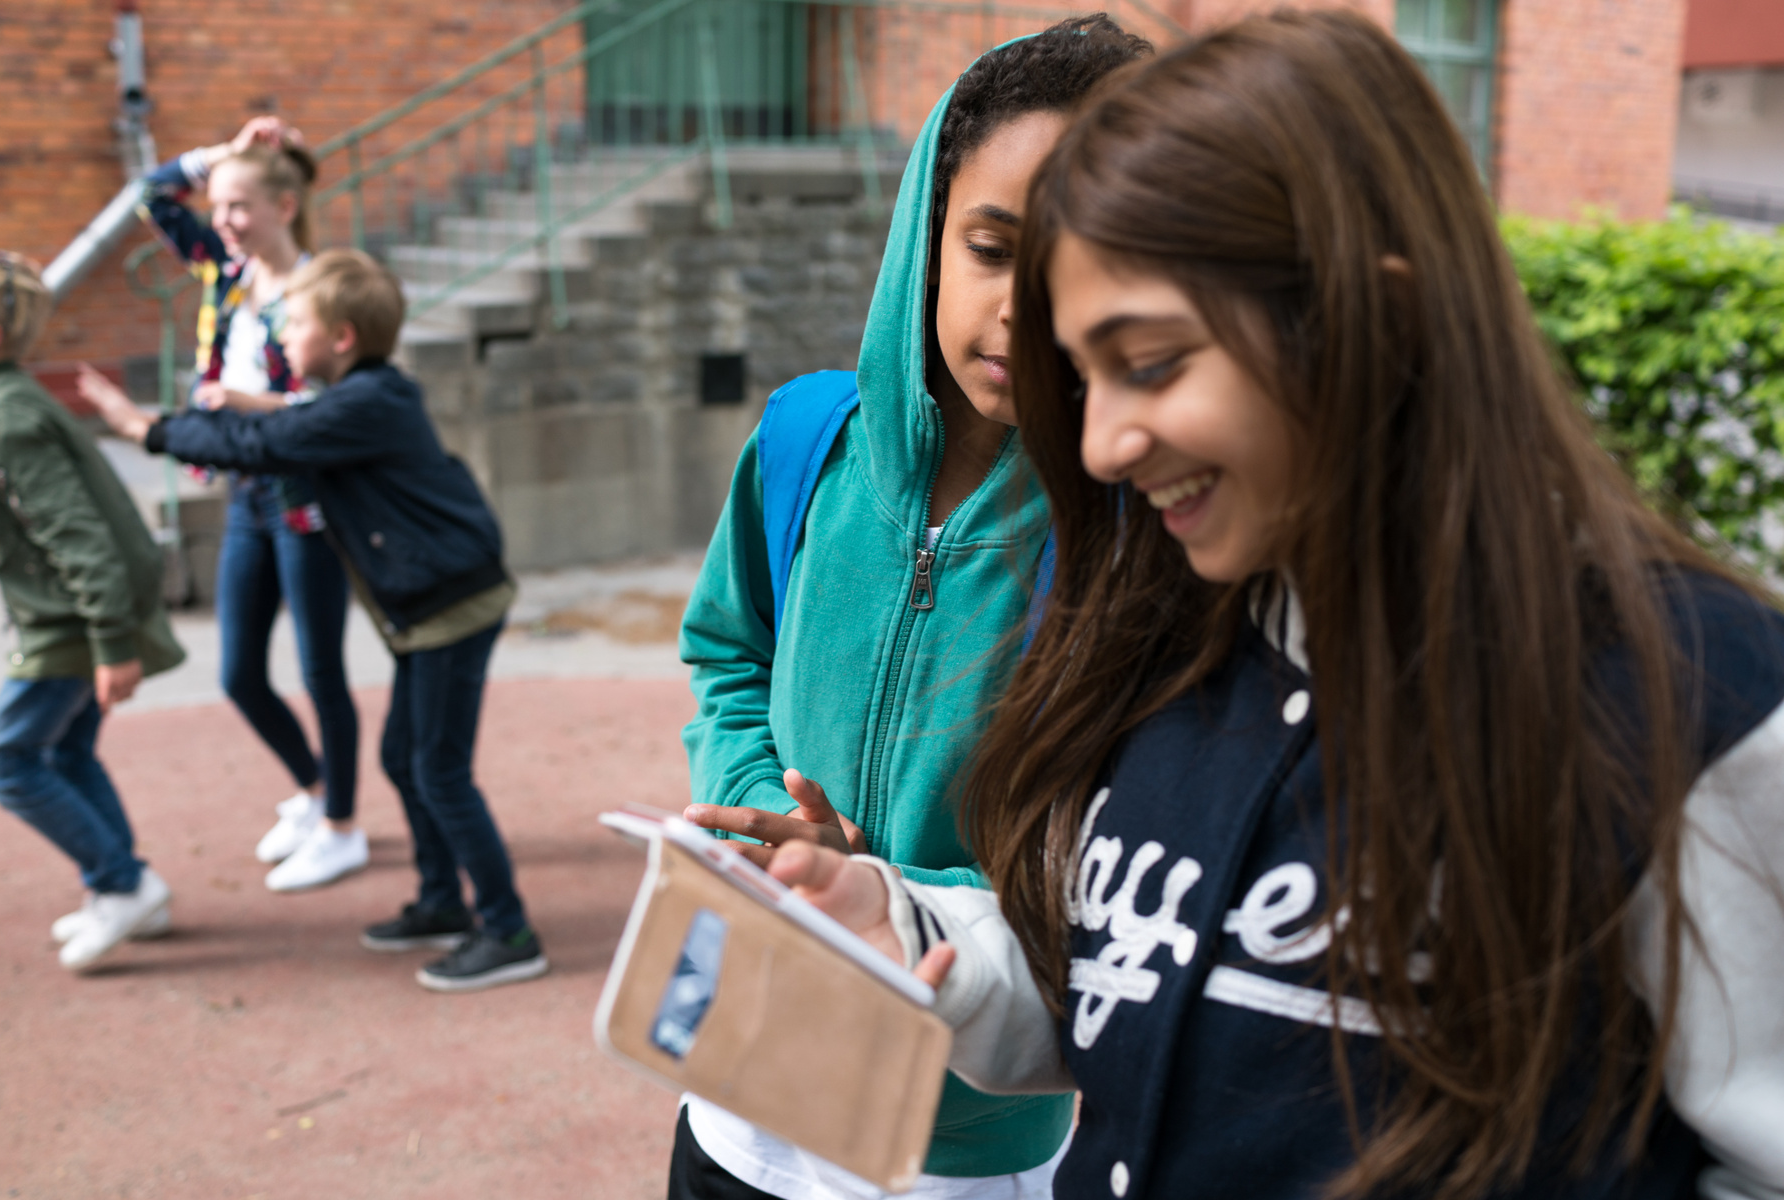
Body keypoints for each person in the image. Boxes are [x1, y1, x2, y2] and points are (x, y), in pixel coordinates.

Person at [762, 12, 1784, 1200]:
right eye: (1081, 377)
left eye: (1147, 362)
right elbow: (1118, 985)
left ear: (1373, 316)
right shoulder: (1166, 648)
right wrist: (907, 930)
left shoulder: (1695, 705)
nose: (1097, 445)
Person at [671, 17, 1151, 1200]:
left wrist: (892, 901)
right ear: (926, 236)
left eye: (1075, 266)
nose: (1017, 315)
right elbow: (727, 648)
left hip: (960, 1138)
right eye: (990, 248)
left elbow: (1122, 864)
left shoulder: (1137, 542)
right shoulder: (803, 441)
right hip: (743, 1064)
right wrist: (765, 812)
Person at [82, 249, 548, 993]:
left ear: (340, 338)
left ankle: (508, 928)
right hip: (423, 608)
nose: (282, 333)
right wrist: (236, 403)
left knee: (439, 769)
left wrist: (147, 429)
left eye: (293, 323)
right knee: (407, 759)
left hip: (451, 608)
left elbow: (271, 446)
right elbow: (288, 419)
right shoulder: (367, 393)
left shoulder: (365, 405)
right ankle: (440, 903)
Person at [79, 115, 364, 894]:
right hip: (245, 491)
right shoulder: (223, 269)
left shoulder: (322, 286)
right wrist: (216, 155)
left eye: (240, 204)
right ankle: (312, 792)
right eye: (219, 205)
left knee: (320, 672)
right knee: (238, 672)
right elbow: (147, 193)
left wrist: (243, 404)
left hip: (304, 499)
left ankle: (343, 825)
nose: (224, 219)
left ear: (287, 205)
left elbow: (331, 405)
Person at [0, 251, 186, 972]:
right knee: (67, 752)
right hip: (72, 618)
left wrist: (111, 641)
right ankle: (130, 890)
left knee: (6, 758)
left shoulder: (4, 417)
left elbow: (80, 537)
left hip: (72, 626)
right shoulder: (7, 402)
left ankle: (121, 884)